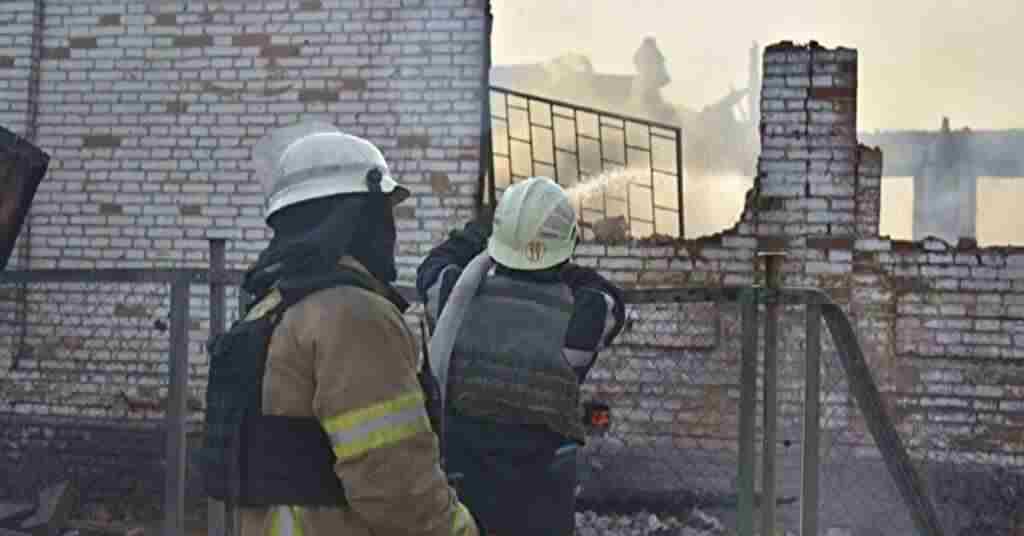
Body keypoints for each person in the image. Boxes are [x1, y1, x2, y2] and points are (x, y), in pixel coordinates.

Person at [200, 121, 477, 536]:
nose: (390, 230)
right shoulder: (355, 315)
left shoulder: (272, 307)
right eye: (381, 214)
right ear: (356, 219)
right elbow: (395, 485)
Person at [416, 176, 626, 536]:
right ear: (567, 246)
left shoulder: (455, 298)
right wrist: (561, 261)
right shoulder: (583, 313)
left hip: (462, 489)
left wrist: (481, 234)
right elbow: (608, 298)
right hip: (541, 496)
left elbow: (432, 267)